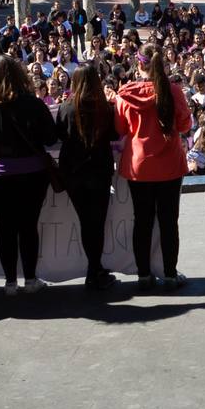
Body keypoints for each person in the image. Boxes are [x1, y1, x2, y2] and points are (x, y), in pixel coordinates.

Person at [0, 55, 58, 296]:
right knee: (28, 226)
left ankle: (9, 283)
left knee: (5, 227)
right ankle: (30, 279)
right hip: (32, 175)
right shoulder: (34, 104)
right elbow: (50, 138)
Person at [114, 43, 193, 291]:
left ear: (139, 64)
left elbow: (120, 129)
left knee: (142, 221)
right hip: (169, 165)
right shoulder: (173, 91)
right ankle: (169, 274)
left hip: (139, 166)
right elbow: (184, 126)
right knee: (169, 221)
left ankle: (144, 275)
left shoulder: (125, 93)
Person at [53, 64, 119, 290]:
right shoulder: (105, 108)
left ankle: (94, 269)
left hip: (73, 172)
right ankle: (94, 270)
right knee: (97, 222)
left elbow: (59, 135)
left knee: (85, 221)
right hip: (98, 170)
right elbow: (114, 134)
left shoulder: (66, 107)